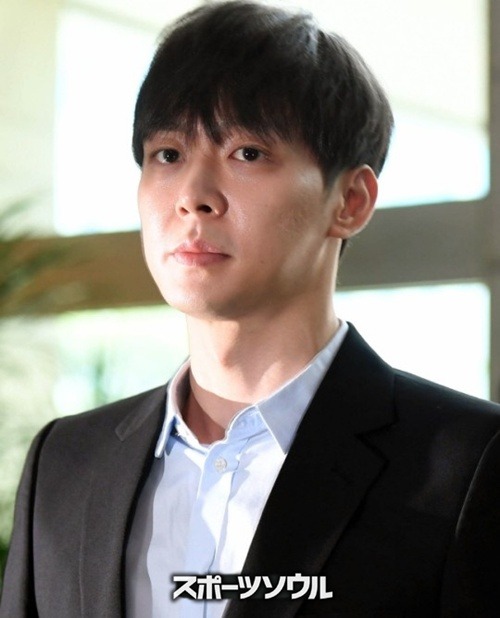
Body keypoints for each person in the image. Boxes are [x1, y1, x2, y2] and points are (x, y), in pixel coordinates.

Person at [2, 1, 500, 616]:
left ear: (350, 200)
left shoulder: (467, 466)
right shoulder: (66, 463)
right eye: (168, 154)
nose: (193, 197)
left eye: (247, 153)